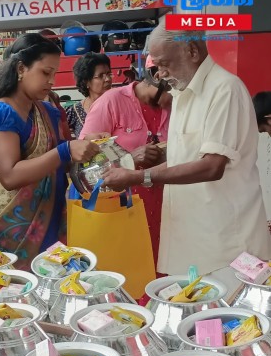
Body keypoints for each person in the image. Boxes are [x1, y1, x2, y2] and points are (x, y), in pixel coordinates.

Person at [102, 21, 271, 298]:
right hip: (192, 242)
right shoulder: (181, 94)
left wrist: (141, 177)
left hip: (226, 246)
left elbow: (212, 166)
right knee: (199, 328)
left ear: (192, 51)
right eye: (156, 65)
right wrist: (131, 171)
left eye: (165, 63)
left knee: (230, 328)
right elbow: (184, 159)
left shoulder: (224, 89)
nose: (161, 73)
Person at [0, 33, 99, 270]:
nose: (52, 81)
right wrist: (66, 151)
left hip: (50, 220)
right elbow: (9, 176)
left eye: (54, 74)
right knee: (12, 298)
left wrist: (87, 145)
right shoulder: (1, 113)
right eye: (45, 72)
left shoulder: (46, 111)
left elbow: (59, 159)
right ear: (21, 68)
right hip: (11, 231)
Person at [79, 54, 172, 274]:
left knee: (164, 272)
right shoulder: (112, 101)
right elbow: (84, 159)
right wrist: (129, 158)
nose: (178, 95)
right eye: (175, 87)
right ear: (158, 76)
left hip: (170, 210)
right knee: (129, 272)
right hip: (124, 208)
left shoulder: (174, 106)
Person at [65, 52, 112, 138]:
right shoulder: (74, 111)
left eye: (109, 74)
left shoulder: (119, 105)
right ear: (86, 81)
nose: (108, 79)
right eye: (101, 76)